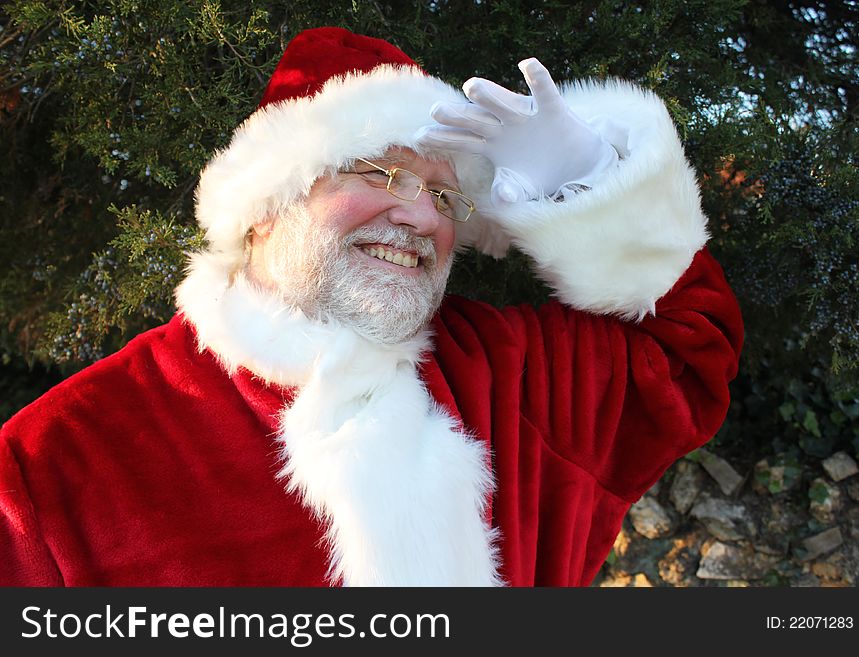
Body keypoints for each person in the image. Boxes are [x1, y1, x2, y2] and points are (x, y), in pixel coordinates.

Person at [0, 27, 742, 586]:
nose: (424, 216)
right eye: (380, 171)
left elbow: (690, 351)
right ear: (266, 205)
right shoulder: (50, 466)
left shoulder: (517, 379)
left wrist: (590, 188)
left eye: (446, 194)